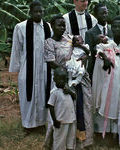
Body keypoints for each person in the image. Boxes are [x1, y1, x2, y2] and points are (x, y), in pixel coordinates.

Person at [44, 15, 93, 148]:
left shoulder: (70, 38)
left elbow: (82, 48)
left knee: (81, 107)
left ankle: (80, 140)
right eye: (59, 25)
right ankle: (59, 141)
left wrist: (84, 57)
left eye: (63, 25)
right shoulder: (49, 42)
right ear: (52, 26)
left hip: (77, 76)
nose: (62, 28)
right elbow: (51, 62)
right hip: (61, 79)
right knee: (62, 108)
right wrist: (65, 73)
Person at [9, 0, 51, 130]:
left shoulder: (48, 27)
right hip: (28, 68)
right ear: (30, 12)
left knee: (44, 93)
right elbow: (16, 48)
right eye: (36, 12)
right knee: (28, 96)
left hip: (44, 67)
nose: (39, 14)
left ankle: (41, 123)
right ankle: (28, 124)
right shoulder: (21, 27)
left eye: (41, 11)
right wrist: (16, 67)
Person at [92, 34, 120, 138]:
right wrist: (105, 57)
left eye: (104, 36)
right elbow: (98, 52)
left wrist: (115, 52)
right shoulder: (100, 46)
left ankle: (114, 129)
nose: (103, 38)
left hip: (115, 66)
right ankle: (101, 129)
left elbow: (117, 50)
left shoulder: (112, 43)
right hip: (103, 68)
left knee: (115, 93)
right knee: (104, 92)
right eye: (100, 37)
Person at [65, 35, 93, 145]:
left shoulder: (85, 47)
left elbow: (89, 53)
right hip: (72, 71)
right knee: (75, 107)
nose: (77, 42)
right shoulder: (71, 49)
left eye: (79, 40)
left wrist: (83, 49)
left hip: (82, 78)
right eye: (75, 40)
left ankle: (85, 136)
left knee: (84, 107)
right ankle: (73, 136)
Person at [48, 67, 76, 150]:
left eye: (64, 79)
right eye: (59, 79)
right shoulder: (54, 92)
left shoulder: (67, 89)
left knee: (70, 141)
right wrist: (54, 120)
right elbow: (51, 107)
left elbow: (74, 97)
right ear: (54, 79)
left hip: (71, 120)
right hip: (61, 121)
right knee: (59, 141)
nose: (62, 81)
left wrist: (70, 92)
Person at [85, 3, 113, 79]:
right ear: (96, 15)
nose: (104, 15)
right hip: (97, 70)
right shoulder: (90, 33)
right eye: (101, 13)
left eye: (105, 13)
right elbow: (89, 55)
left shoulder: (113, 30)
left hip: (113, 70)